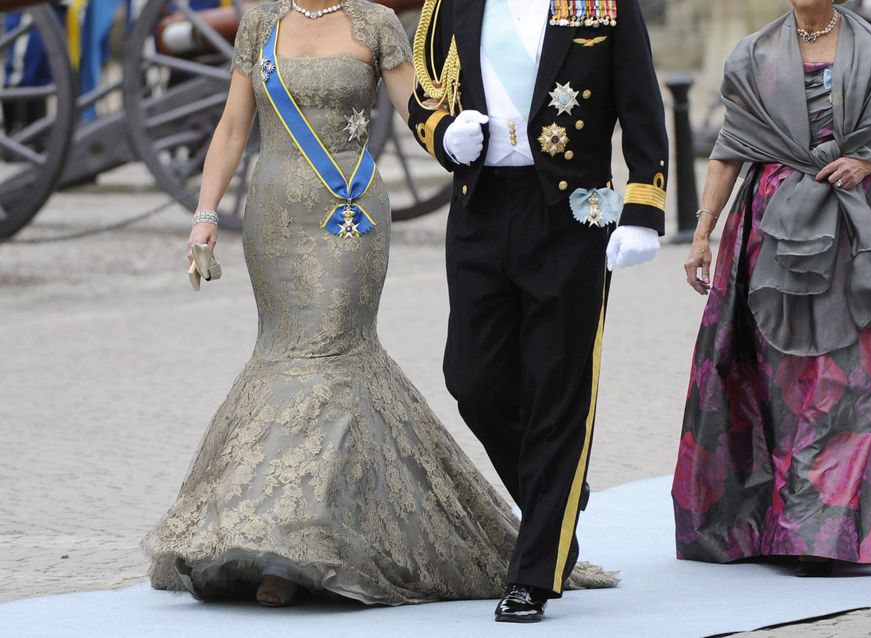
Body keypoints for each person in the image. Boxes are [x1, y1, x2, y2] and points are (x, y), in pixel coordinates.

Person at [143, 0, 613, 609]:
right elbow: (234, 126)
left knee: (333, 354)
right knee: (283, 353)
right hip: (277, 217)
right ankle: (269, 533)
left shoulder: (375, 23)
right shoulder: (261, 23)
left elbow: (421, 110)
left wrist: (462, 139)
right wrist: (205, 216)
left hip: (349, 216)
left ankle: (300, 547)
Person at [405, 0, 668, 622]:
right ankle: (557, 505)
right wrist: (443, 134)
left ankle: (536, 571)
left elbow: (641, 103)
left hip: (572, 216)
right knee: (472, 380)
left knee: (559, 388)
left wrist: (644, 209)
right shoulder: (452, 5)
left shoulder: (602, 4)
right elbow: (425, 96)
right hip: (480, 209)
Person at [671, 0, 871, 577]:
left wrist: (864, 162)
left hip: (850, 230)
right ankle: (775, 523)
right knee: (774, 373)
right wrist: (702, 234)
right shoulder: (755, 54)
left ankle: (824, 531)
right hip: (768, 231)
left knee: (848, 374)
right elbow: (729, 149)